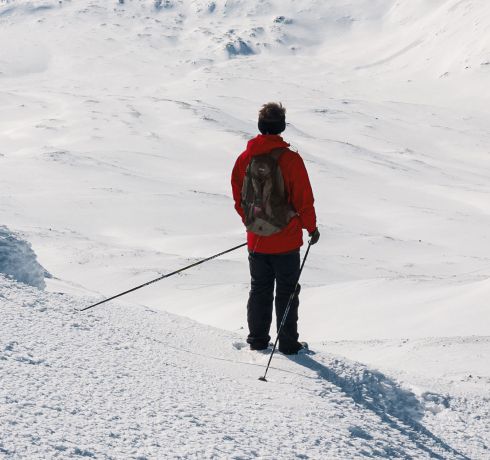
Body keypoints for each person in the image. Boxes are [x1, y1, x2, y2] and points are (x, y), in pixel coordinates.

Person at [231, 102, 320, 355]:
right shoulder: (290, 160)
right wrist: (310, 228)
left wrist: (253, 223)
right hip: (287, 240)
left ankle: (257, 340)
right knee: (287, 291)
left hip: (256, 239)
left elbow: (239, 198)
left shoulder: (245, 158)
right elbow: (304, 199)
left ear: (260, 126)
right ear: (281, 127)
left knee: (259, 288)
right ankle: (289, 343)